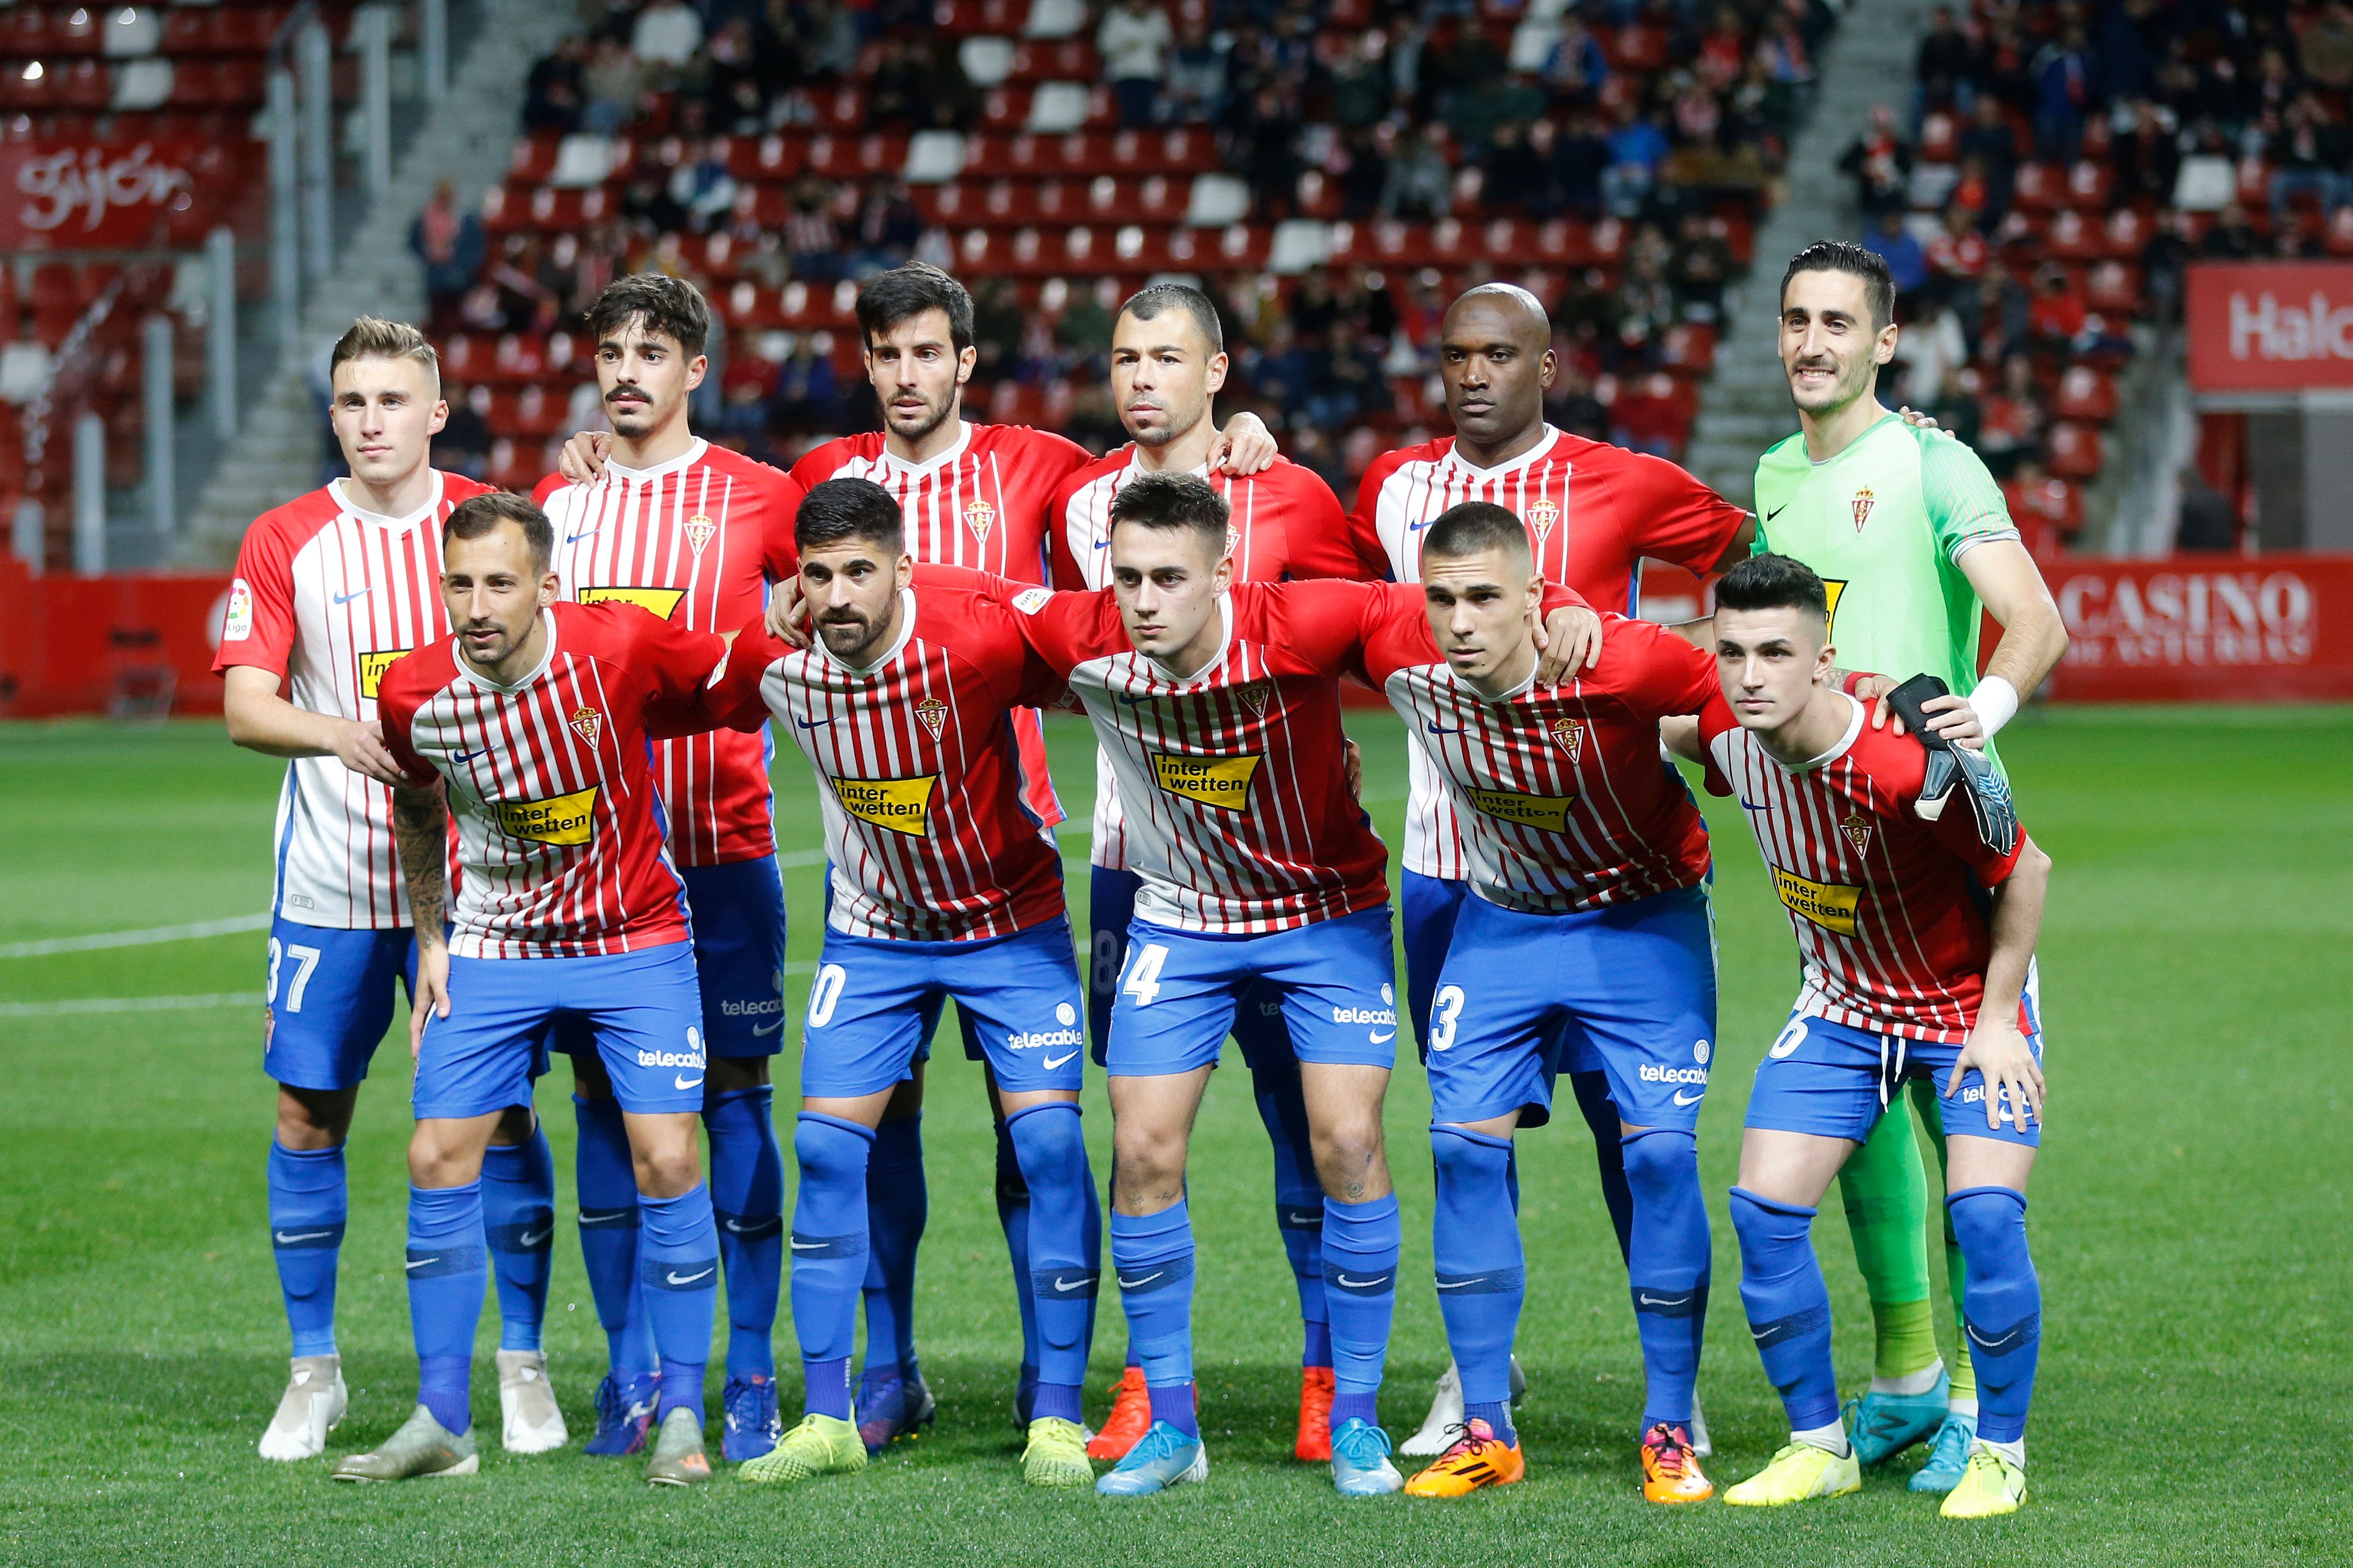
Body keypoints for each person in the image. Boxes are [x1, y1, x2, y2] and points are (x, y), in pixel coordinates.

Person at [564, 262, 1277, 1451]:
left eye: (927, 352)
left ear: (965, 359)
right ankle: (884, 1374)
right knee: (870, 1130)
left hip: (1013, 853)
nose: (907, 375)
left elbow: (1154, 503)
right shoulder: (811, 482)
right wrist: (602, 459)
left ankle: (1046, 1383)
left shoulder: (1040, 466)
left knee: (1034, 1137)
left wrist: (1236, 433)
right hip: (875, 877)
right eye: (887, 354)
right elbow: (712, 541)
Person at [896, 473, 1595, 1499]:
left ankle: (1354, 1418)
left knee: (1347, 1144)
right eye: (1127, 576)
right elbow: (964, 595)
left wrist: (1568, 599)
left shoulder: (1305, 616)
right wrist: (799, 602)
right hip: (1179, 919)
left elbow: (1462, 595)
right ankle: (1172, 1426)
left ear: (1225, 570)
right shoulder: (1078, 630)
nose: (1143, 600)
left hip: (1326, 916)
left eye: (1169, 578)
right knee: (1139, 1150)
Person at [1347, 282, 1753, 1457]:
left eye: (1499, 354)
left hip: (1608, 849)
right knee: (1473, 1128)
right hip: (1451, 862)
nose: (1473, 373)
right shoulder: (1394, 486)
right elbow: (1354, 598)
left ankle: (1667, 1385)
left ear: (1549, 365)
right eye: (1456, 354)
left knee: (1635, 1127)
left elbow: (1761, 558)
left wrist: (1771, 665)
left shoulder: (1623, 479)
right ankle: (1485, 1375)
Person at [1737, 239, 2066, 1493]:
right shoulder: (1770, 474)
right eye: (1795, 320)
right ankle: (1907, 1379)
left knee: (1955, 1119)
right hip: (1825, 841)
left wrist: (1979, 708)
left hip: (1934, 823)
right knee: (1860, 1119)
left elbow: (2036, 616)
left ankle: (1980, 1399)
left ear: (1886, 341)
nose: (1812, 341)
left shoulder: (1932, 459)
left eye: (1839, 322)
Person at [699, 479, 1103, 1490]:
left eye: (859, 573)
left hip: (1010, 923)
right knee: (827, 1147)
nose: (838, 596)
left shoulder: (975, 635)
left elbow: (1102, 640)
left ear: (901, 569)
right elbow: (665, 677)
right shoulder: (775, 662)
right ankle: (830, 1411)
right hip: (875, 935)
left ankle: (1057, 1408)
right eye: (819, 574)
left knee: (1048, 1143)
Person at [216, 318, 561, 1465]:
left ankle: (523, 1361)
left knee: (497, 1115)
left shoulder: (480, 527)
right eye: (353, 400)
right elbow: (244, 704)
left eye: (393, 400)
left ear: (436, 409)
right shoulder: (288, 538)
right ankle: (313, 1368)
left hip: (480, 886)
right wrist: (343, 732)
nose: (373, 420)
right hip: (329, 883)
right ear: (335, 414)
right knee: (308, 1111)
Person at [338, 492, 735, 1486]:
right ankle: (441, 1420)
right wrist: (431, 934)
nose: (477, 605)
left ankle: (683, 1412)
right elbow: (419, 804)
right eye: (460, 583)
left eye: (500, 583)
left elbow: (729, 684)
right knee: (435, 1154)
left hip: (634, 935)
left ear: (547, 584)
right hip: (496, 945)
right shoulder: (416, 691)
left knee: (669, 1156)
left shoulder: (621, 647)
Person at [1664, 552, 2051, 1520]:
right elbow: (1668, 715)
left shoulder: (1907, 763)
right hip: (1844, 1003)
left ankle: (1999, 1452)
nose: (1751, 675)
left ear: (1824, 660)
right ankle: (1818, 1443)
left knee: (1987, 1216)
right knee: (1762, 1206)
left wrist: (2002, 1019)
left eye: (1777, 653)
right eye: (1733, 652)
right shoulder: (1725, 730)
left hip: (1967, 1002)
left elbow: (2028, 866)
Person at [1047, 283, 1359, 1465]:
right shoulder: (1078, 508)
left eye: (1167, 357)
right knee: (1141, 1136)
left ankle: (1328, 1369)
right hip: (1140, 869)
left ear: (1218, 371)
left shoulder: (1289, 497)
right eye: (1124, 355)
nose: (1141, 378)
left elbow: (1357, 635)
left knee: (1306, 1126)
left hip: (1284, 872)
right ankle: (1144, 1378)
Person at [534, 273, 805, 1464]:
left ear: (697, 368)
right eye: (611, 348)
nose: (628, 367)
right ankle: (632, 1367)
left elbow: (818, 604)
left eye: (653, 349)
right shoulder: (560, 505)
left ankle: (747, 1373)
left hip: (727, 842)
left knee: (735, 1096)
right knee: (604, 1105)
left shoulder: (760, 495)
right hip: (598, 868)